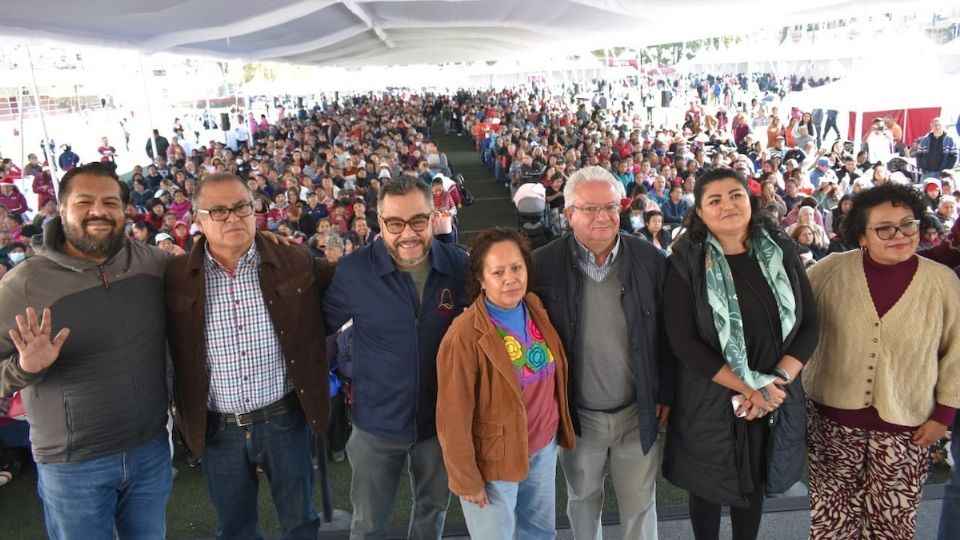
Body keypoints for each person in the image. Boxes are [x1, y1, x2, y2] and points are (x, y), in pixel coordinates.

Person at [0, 162, 172, 539]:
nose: (99, 211)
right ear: (60, 209)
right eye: (85, 202)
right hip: (72, 468)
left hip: (151, 452)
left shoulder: (154, 264)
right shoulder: (23, 285)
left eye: (110, 202)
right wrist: (23, 369)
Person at [164, 172, 333, 539]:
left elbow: (341, 285)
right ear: (198, 218)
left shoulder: (293, 258)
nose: (233, 218)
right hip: (217, 428)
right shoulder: (174, 275)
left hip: (284, 419)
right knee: (236, 527)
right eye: (219, 211)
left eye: (241, 207)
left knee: (300, 521)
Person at [663, 167, 820, 540]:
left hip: (773, 393)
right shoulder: (685, 261)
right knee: (708, 487)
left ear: (750, 200)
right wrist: (751, 388)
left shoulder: (781, 250)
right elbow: (684, 342)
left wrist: (774, 383)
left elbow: (809, 324)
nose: (728, 205)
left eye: (735, 195)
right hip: (712, 395)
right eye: (714, 200)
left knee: (753, 486)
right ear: (700, 212)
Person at [804, 182, 960, 539]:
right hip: (832, 425)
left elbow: (957, 356)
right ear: (861, 235)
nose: (900, 235)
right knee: (831, 524)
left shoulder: (943, 282)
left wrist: (943, 416)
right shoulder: (829, 272)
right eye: (884, 228)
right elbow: (790, 318)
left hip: (908, 429)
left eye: (909, 224)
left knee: (892, 526)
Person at [530, 166, 675, 540]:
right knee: (582, 501)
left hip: (636, 410)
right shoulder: (541, 265)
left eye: (611, 207)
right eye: (590, 208)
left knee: (641, 505)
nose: (603, 217)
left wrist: (666, 392)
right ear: (568, 214)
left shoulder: (651, 261)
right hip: (579, 414)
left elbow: (669, 335)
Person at [322, 176, 469, 539]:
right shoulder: (354, 271)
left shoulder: (458, 265)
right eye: (394, 223)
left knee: (431, 512)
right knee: (369, 523)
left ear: (434, 216)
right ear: (379, 221)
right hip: (375, 424)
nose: (408, 233)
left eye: (418, 220)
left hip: (439, 423)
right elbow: (317, 328)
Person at [436, 227, 576, 539]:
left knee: (539, 534)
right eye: (497, 272)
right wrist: (466, 479)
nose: (510, 278)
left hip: (541, 447)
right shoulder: (463, 336)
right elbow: (452, 416)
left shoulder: (535, 307)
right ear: (481, 280)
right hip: (493, 462)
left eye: (516, 267)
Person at [916, 117, 958, 181]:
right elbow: (919, 155)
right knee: (924, 190)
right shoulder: (925, 139)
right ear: (931, 127)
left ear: (943, 126)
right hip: (926, 173)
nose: (937, 127)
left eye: (939, 125)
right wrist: (921, 167)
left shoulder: (949, 139)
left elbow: (954, 157)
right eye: (935, 125)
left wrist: (947, 170)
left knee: (942, 191)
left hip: (942, 175)